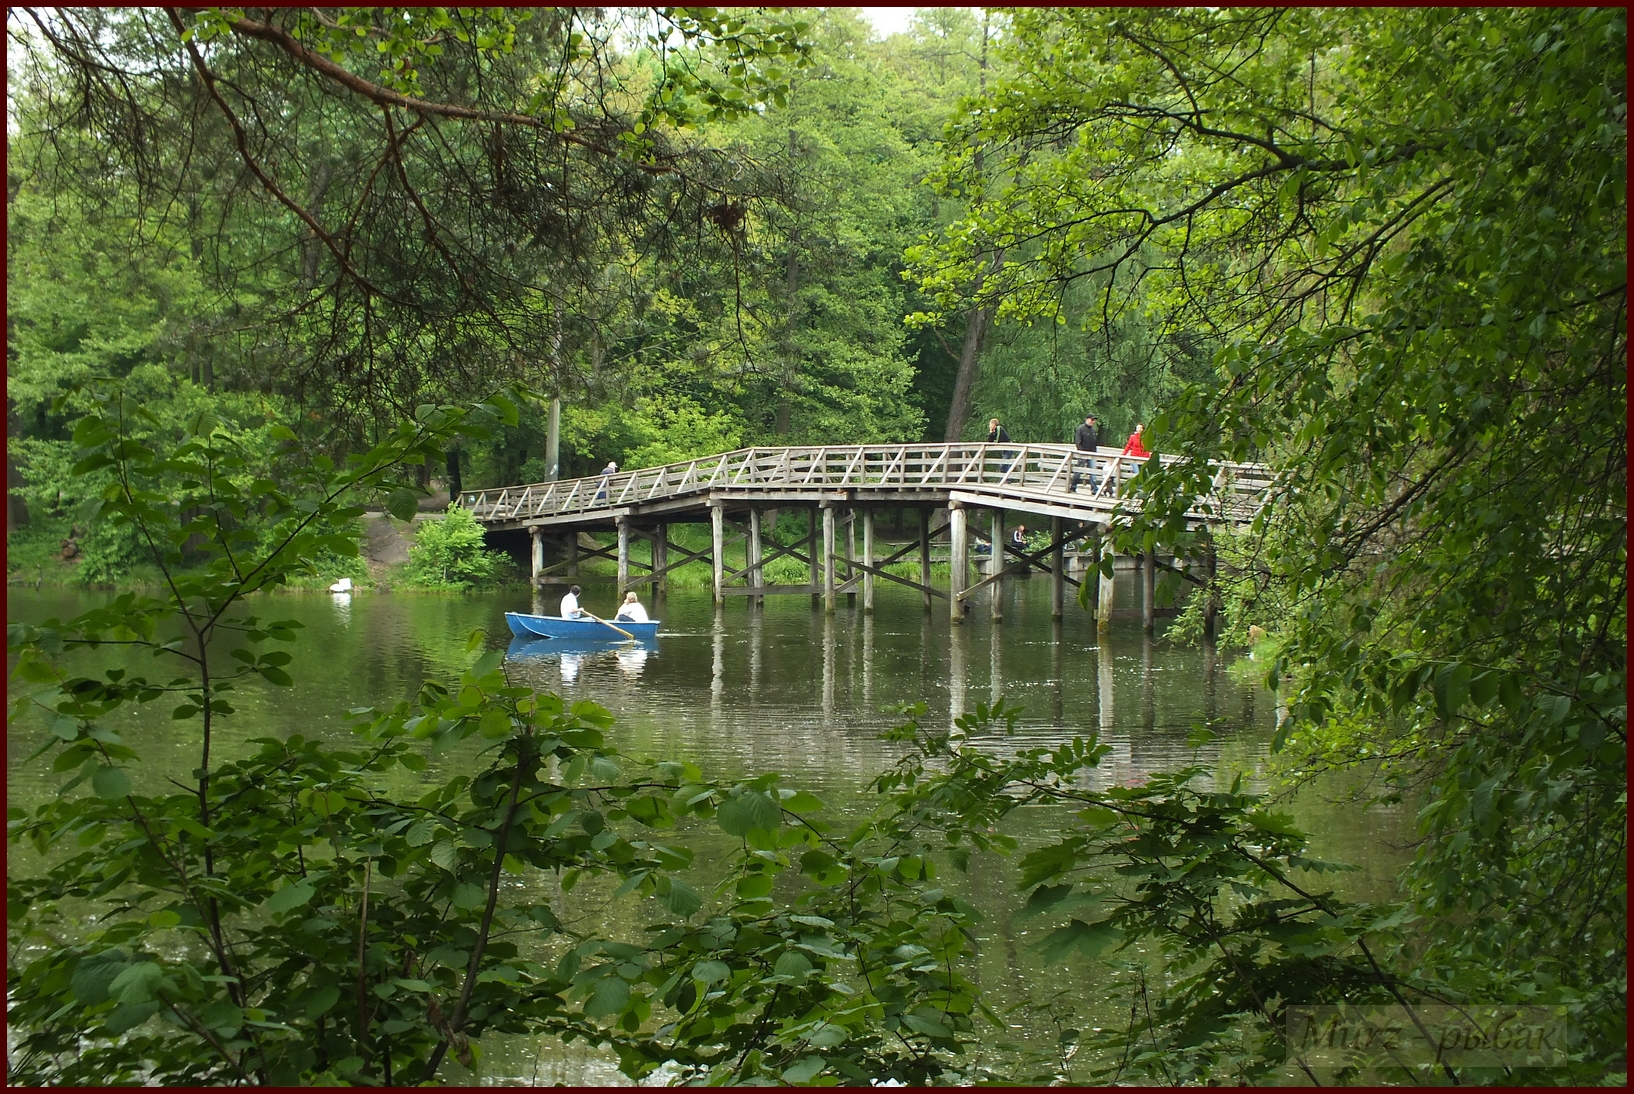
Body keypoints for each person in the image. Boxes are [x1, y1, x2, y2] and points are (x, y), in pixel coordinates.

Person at [1070, 414, 1100, 492]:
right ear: (1087, 419)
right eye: (1092, 420)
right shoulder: (1081, 429)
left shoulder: (1093, 430)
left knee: (1093, 472)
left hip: (1092, 454)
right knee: (1078, 471)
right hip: (1083, 453)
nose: (1093, 422)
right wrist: (1081, 451)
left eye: (1094, 420)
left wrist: (1095, 452)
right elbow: (1078, 441)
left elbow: (1094, 442)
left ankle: (1094, 489)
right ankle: (1073, 487)